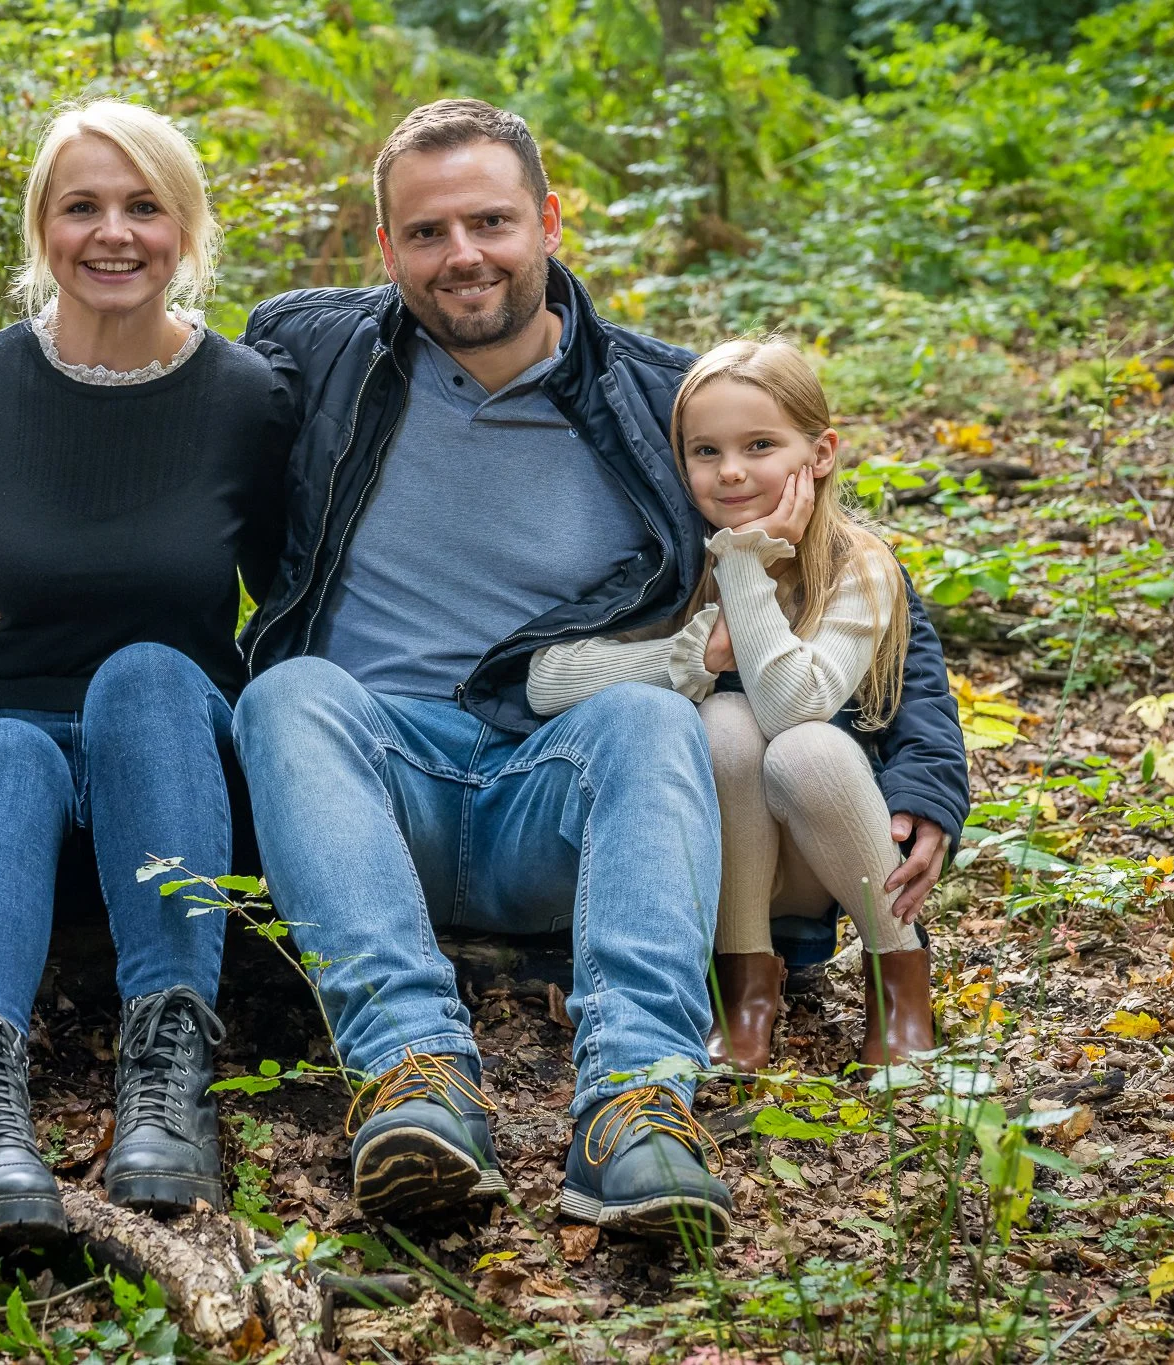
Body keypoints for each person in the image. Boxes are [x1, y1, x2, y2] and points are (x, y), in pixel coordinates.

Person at [225, 99, 969, 1241]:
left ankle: (635, 1100)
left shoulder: (659, 400)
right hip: (371, 788)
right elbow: (152, 429)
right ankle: (413, 1075)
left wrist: (922, 771)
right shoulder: (313, 353)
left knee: (653, 717)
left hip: (563, 790)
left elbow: (842, 561)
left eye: (490, 221)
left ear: (550, 221)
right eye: (426, 232)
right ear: (385, 248)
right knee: (286, 694)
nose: (462, 255)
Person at [0, 100, 298, 1239]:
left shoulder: (247, 400)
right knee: (3, 746)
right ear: (41, 229)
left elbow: (295, 596)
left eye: (143, 206)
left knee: (146, 673)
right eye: (82, 207)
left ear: (185, 229)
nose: (113, 233)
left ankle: (167, 1086)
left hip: (171, 762)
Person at [528, 337, 948, 1072]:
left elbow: (796, 707)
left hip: (828, 853)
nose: (730, 471)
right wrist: (691, 658)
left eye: (760, 445)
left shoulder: (857, 565)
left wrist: (747, 564)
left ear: (821, 453)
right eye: (705, 451)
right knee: (720, 721)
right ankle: (743, 991)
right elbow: (545, 680)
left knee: (805, 746)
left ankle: (900, 986)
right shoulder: (672, 562)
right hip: (719, 866)